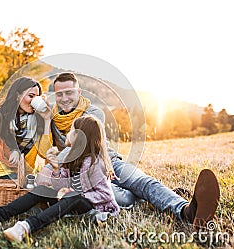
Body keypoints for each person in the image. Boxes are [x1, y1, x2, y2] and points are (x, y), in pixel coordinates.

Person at [45, 72, 220, 230]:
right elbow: (48, 150)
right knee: (126, 198)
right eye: (59, 94)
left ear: (78, 93)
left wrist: (61, 155)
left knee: (143, 182)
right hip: (86, 175)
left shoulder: (93, 112)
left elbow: (81, 144)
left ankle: (185, 211)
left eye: (69, 92)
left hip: (109, 162)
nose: (64, 98)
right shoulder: (52, 119)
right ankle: (161, 196)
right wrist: (46, 121)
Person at [0, 115, 120, 243]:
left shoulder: (95, 163)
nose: (67, 133)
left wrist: (72, 193)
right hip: (70, 201)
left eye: (72, 130)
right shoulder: (70, 158)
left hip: (94, 207)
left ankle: (26, 227)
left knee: (73, 196)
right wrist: (57, 169)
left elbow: (105, 196)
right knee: (42, 190)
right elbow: (59, 186)